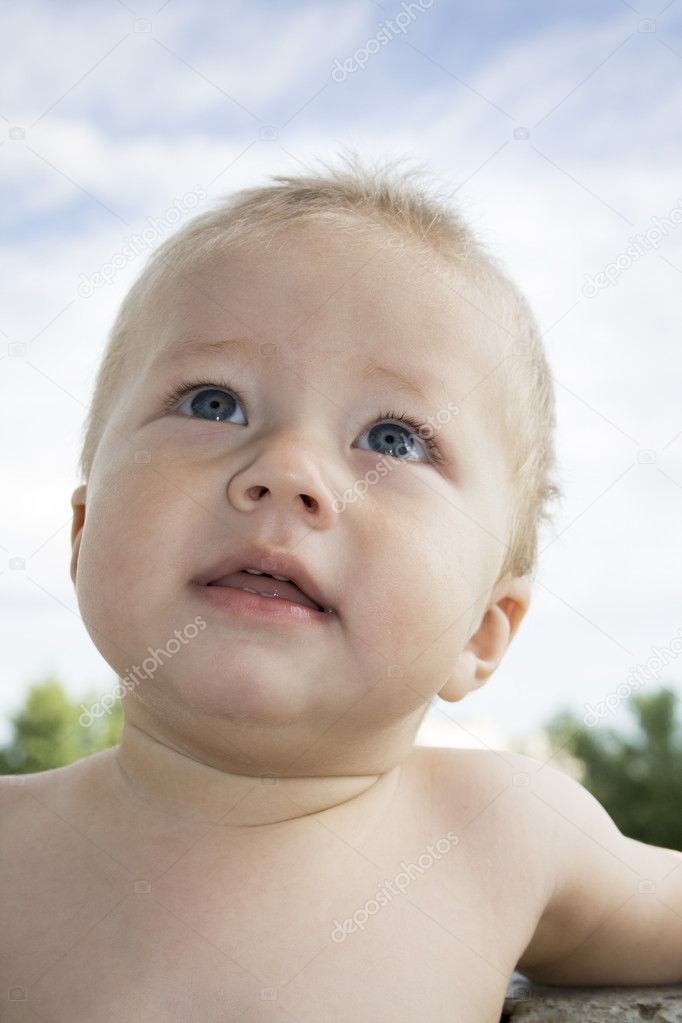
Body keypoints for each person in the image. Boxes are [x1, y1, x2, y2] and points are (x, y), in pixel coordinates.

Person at [3, 152, 680, 1022]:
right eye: (214, 402)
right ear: (84, 532)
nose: (285, 470)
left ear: (482, 630)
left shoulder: (501, 834)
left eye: (394, 439)